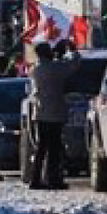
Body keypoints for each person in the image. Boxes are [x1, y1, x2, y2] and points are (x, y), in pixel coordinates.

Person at [27, 40, 80, 189]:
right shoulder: (53, 68)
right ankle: (53, 179)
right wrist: (72, 50)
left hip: (40, 113)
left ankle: (35, 178)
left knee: (41, 148)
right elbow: (72, 66)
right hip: (54, 113)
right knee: (54, 149)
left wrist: (57, 55)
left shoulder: (35, 68)